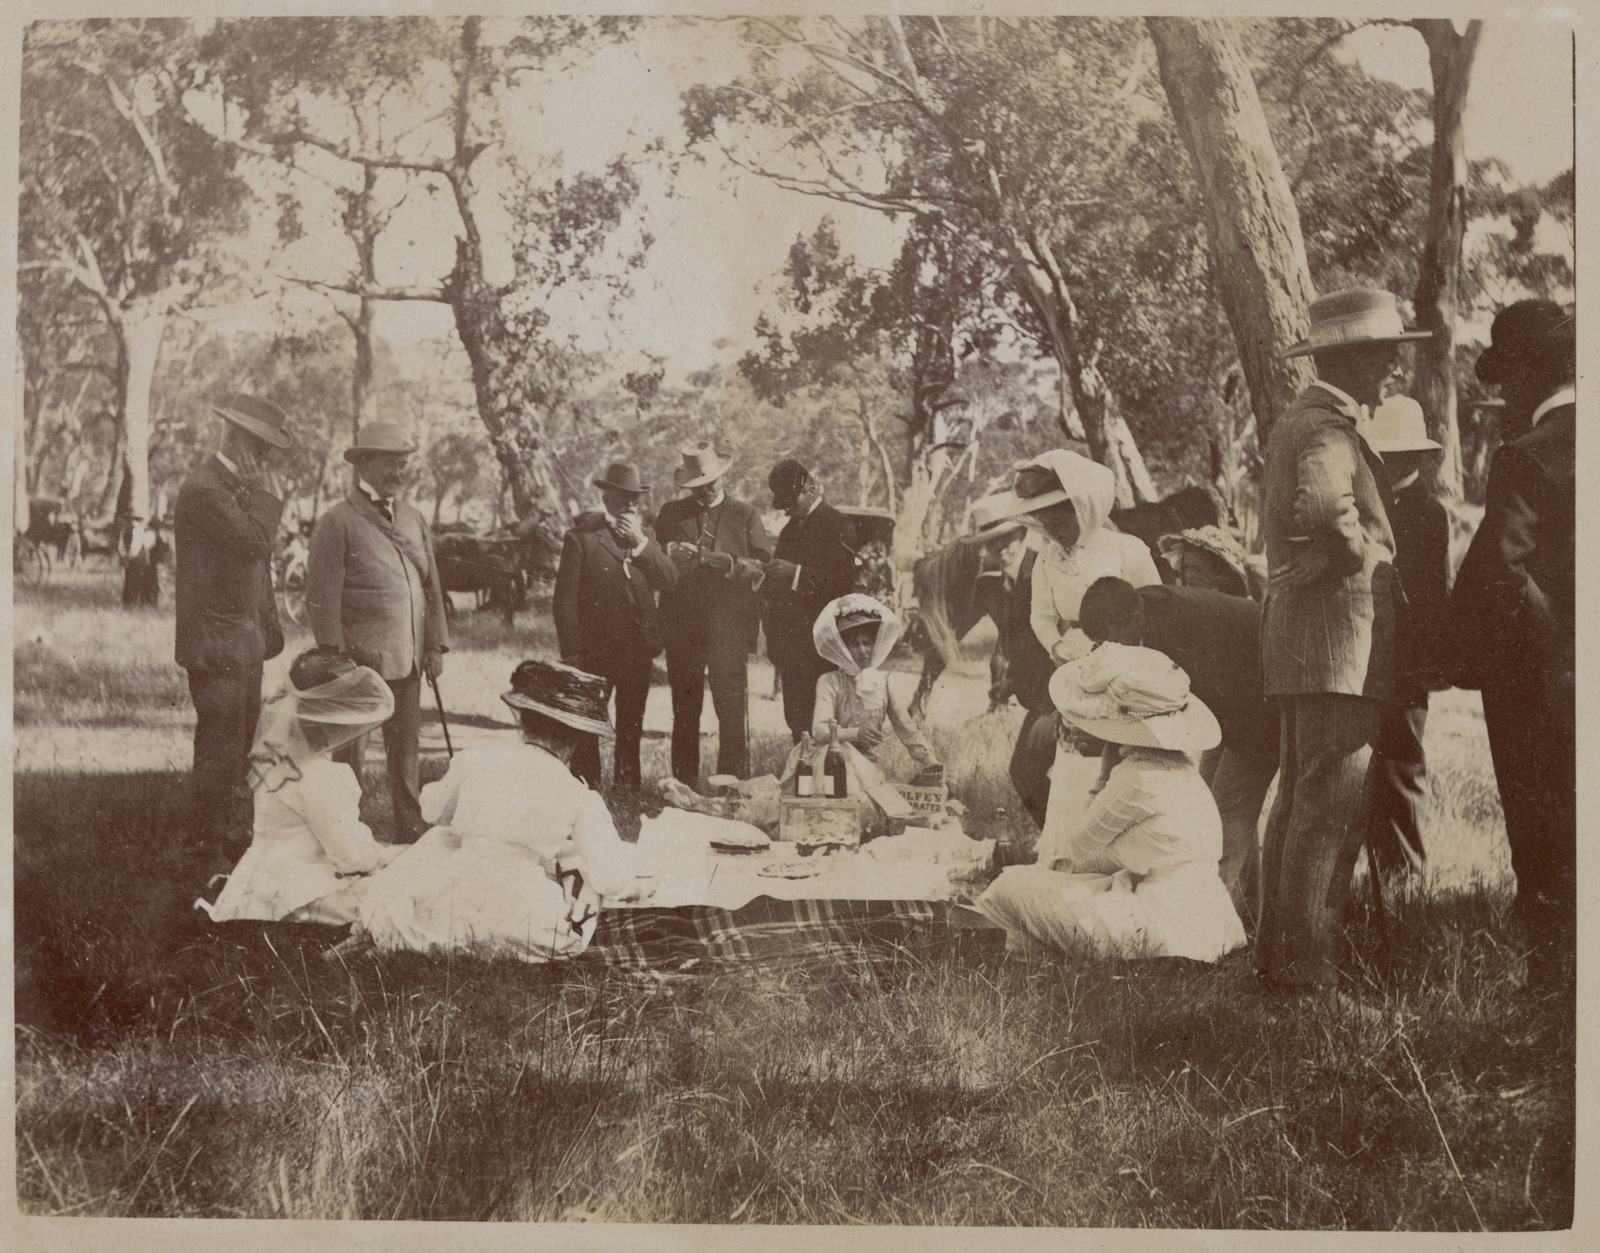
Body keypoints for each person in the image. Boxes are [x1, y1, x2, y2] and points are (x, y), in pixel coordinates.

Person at [1257, 287, 1425, 997]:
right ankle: (1308, 978)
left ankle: (1277, 964)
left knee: (1300, 803)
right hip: (1336, 643)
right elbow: (1326, 506)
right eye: (1386, 355)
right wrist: (1351, 554)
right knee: (1327, 811)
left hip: (1308, 642)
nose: (1393, 369)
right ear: (1352, 358)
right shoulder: (1327, 423)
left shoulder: (1307, 418)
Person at [355, 660, 649, 963]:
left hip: (449, 900)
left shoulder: (477, 759)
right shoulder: (579, 795)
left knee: (441, 840)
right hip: (521, 914)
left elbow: (431, 811)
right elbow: (611, 878)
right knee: (582, 878)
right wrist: (635, 885)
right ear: (575, 740)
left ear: (522, 721)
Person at [974, 645, 1246, 964]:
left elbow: (1077, 850)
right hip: (1206, 920)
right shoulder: (1184, 769)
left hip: (1160, 927)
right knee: (1071, 883)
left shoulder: (1136, 777)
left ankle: (1037, 960)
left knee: (1011, 885)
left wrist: (1104, 771)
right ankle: (1041, 960)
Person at [1452, 299, 1575, 993]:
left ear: (1528, 375)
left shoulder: (1528, 456)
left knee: (1545, 830)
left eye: (1506, 382)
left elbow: (1501, 572)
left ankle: (1554, 983)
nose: (1502, 398)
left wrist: (1526, 654)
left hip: (1544, 686)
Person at [1078, 576, 1276, 932]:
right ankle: (1244, 916)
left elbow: (1154, 723)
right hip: (1229, 702)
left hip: (1259, 703)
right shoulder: (1125, 625)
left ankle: (1208, 937)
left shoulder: (1176, 632)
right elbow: (1118, 714)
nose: (1108, 647)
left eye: (1111, 637)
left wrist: (1107, 783)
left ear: (1134, 618)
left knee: (1220, 822)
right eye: (1100, 641)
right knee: (1211, 811)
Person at [306, 420, 450, 841]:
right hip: (358, 663)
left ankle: (409, 823)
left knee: (405, 751)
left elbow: (431, 586)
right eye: (390, 463)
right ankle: (343, 827)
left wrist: (436, 645)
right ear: (364, 463)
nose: (398, 473)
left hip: (407, 656)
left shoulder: (414, 518)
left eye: (403, 464)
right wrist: (333, 656)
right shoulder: (338, 521)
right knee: (350, 752)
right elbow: (322, 596)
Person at [174, 393, 293, 877]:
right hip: (216, 645)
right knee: (220, 753)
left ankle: (228, 842)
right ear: (233, 437)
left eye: (268, 450)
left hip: (243, 643)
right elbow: (253, 543)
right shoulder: (204, 489)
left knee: (238, 751)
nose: (264, 458)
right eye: (258, 446)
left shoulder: (235, 487)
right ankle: (203, 853)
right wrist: (267, 496)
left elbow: (255, 567)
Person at [199, 649, 401, 925]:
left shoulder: (275, 760)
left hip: (256, 888)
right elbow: (353, 857)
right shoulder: (323, 776)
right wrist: (388, 854)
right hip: (303, 896)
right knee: (409, 888)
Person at [1362, 396, 1451, 878]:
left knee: (1400, 766)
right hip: (1370, 656)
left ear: (1416, 457)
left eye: (1398, 455)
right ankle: (1383, 867)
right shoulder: (1369, 506)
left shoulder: (1426, 513)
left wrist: (1420, 667)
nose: (1389, 462)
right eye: (1384, 454)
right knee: (1369, 769)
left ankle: (1408, 873)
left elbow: (1429, 600)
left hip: (1407, 659)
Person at [553, 462, 677, 791]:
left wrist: (639, 542)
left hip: (637, 651)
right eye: (623, 497)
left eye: (635, 498)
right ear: (607, 498)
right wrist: (572, 651)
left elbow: (669, 579)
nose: (631, 504)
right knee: (587, 726)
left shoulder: (643, 537)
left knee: (630, 727)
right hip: (595, 652)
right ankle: (586, 793)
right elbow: (564, 600)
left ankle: (626, 794)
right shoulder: (582, 539)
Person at [653, 442, 773, 784]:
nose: (704, 492)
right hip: (683, 630)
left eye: (710, 485)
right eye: (696, 487)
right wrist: (669, 552)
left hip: (729, 630)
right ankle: (682, 789)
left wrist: (734, 565)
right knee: (685, 713)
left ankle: (730, 789)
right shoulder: (671, 514)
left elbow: (765, 565)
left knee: (732, 714)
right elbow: (654, 560)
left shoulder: (745, 515)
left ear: (723, 478)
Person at [1012, 449, 1163, 666]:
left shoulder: (1127, 548)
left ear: (1082, 511)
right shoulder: (1047, 558)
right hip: (1072, 657)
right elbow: (1042, 615)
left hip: (1127, 656)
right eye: (1046, 524)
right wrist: (1055, 645)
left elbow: (1155, 611)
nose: (1053, 532)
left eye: (1059, 523)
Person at [762, 459, 859, 742]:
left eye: (791, 500)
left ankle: (824, 781)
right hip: (791, 643)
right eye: (783, 503)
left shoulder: (839, 525)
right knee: (796, 719)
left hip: (822, 644)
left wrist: (797, 574)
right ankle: (800, 777)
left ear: (811, 487)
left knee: (824, 718)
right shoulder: (789, 531)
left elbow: (842, 584)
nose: (787, 508)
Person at [804, 594, 937, 784]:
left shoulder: (882, 682)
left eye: (867, 643)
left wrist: (931, 762)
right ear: (843, 649)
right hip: (830, 761)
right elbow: (820, 730)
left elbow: (906, 727)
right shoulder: (830, 681)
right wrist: (855, 733)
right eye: (854, 644)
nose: (863, 650)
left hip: (868, 764)